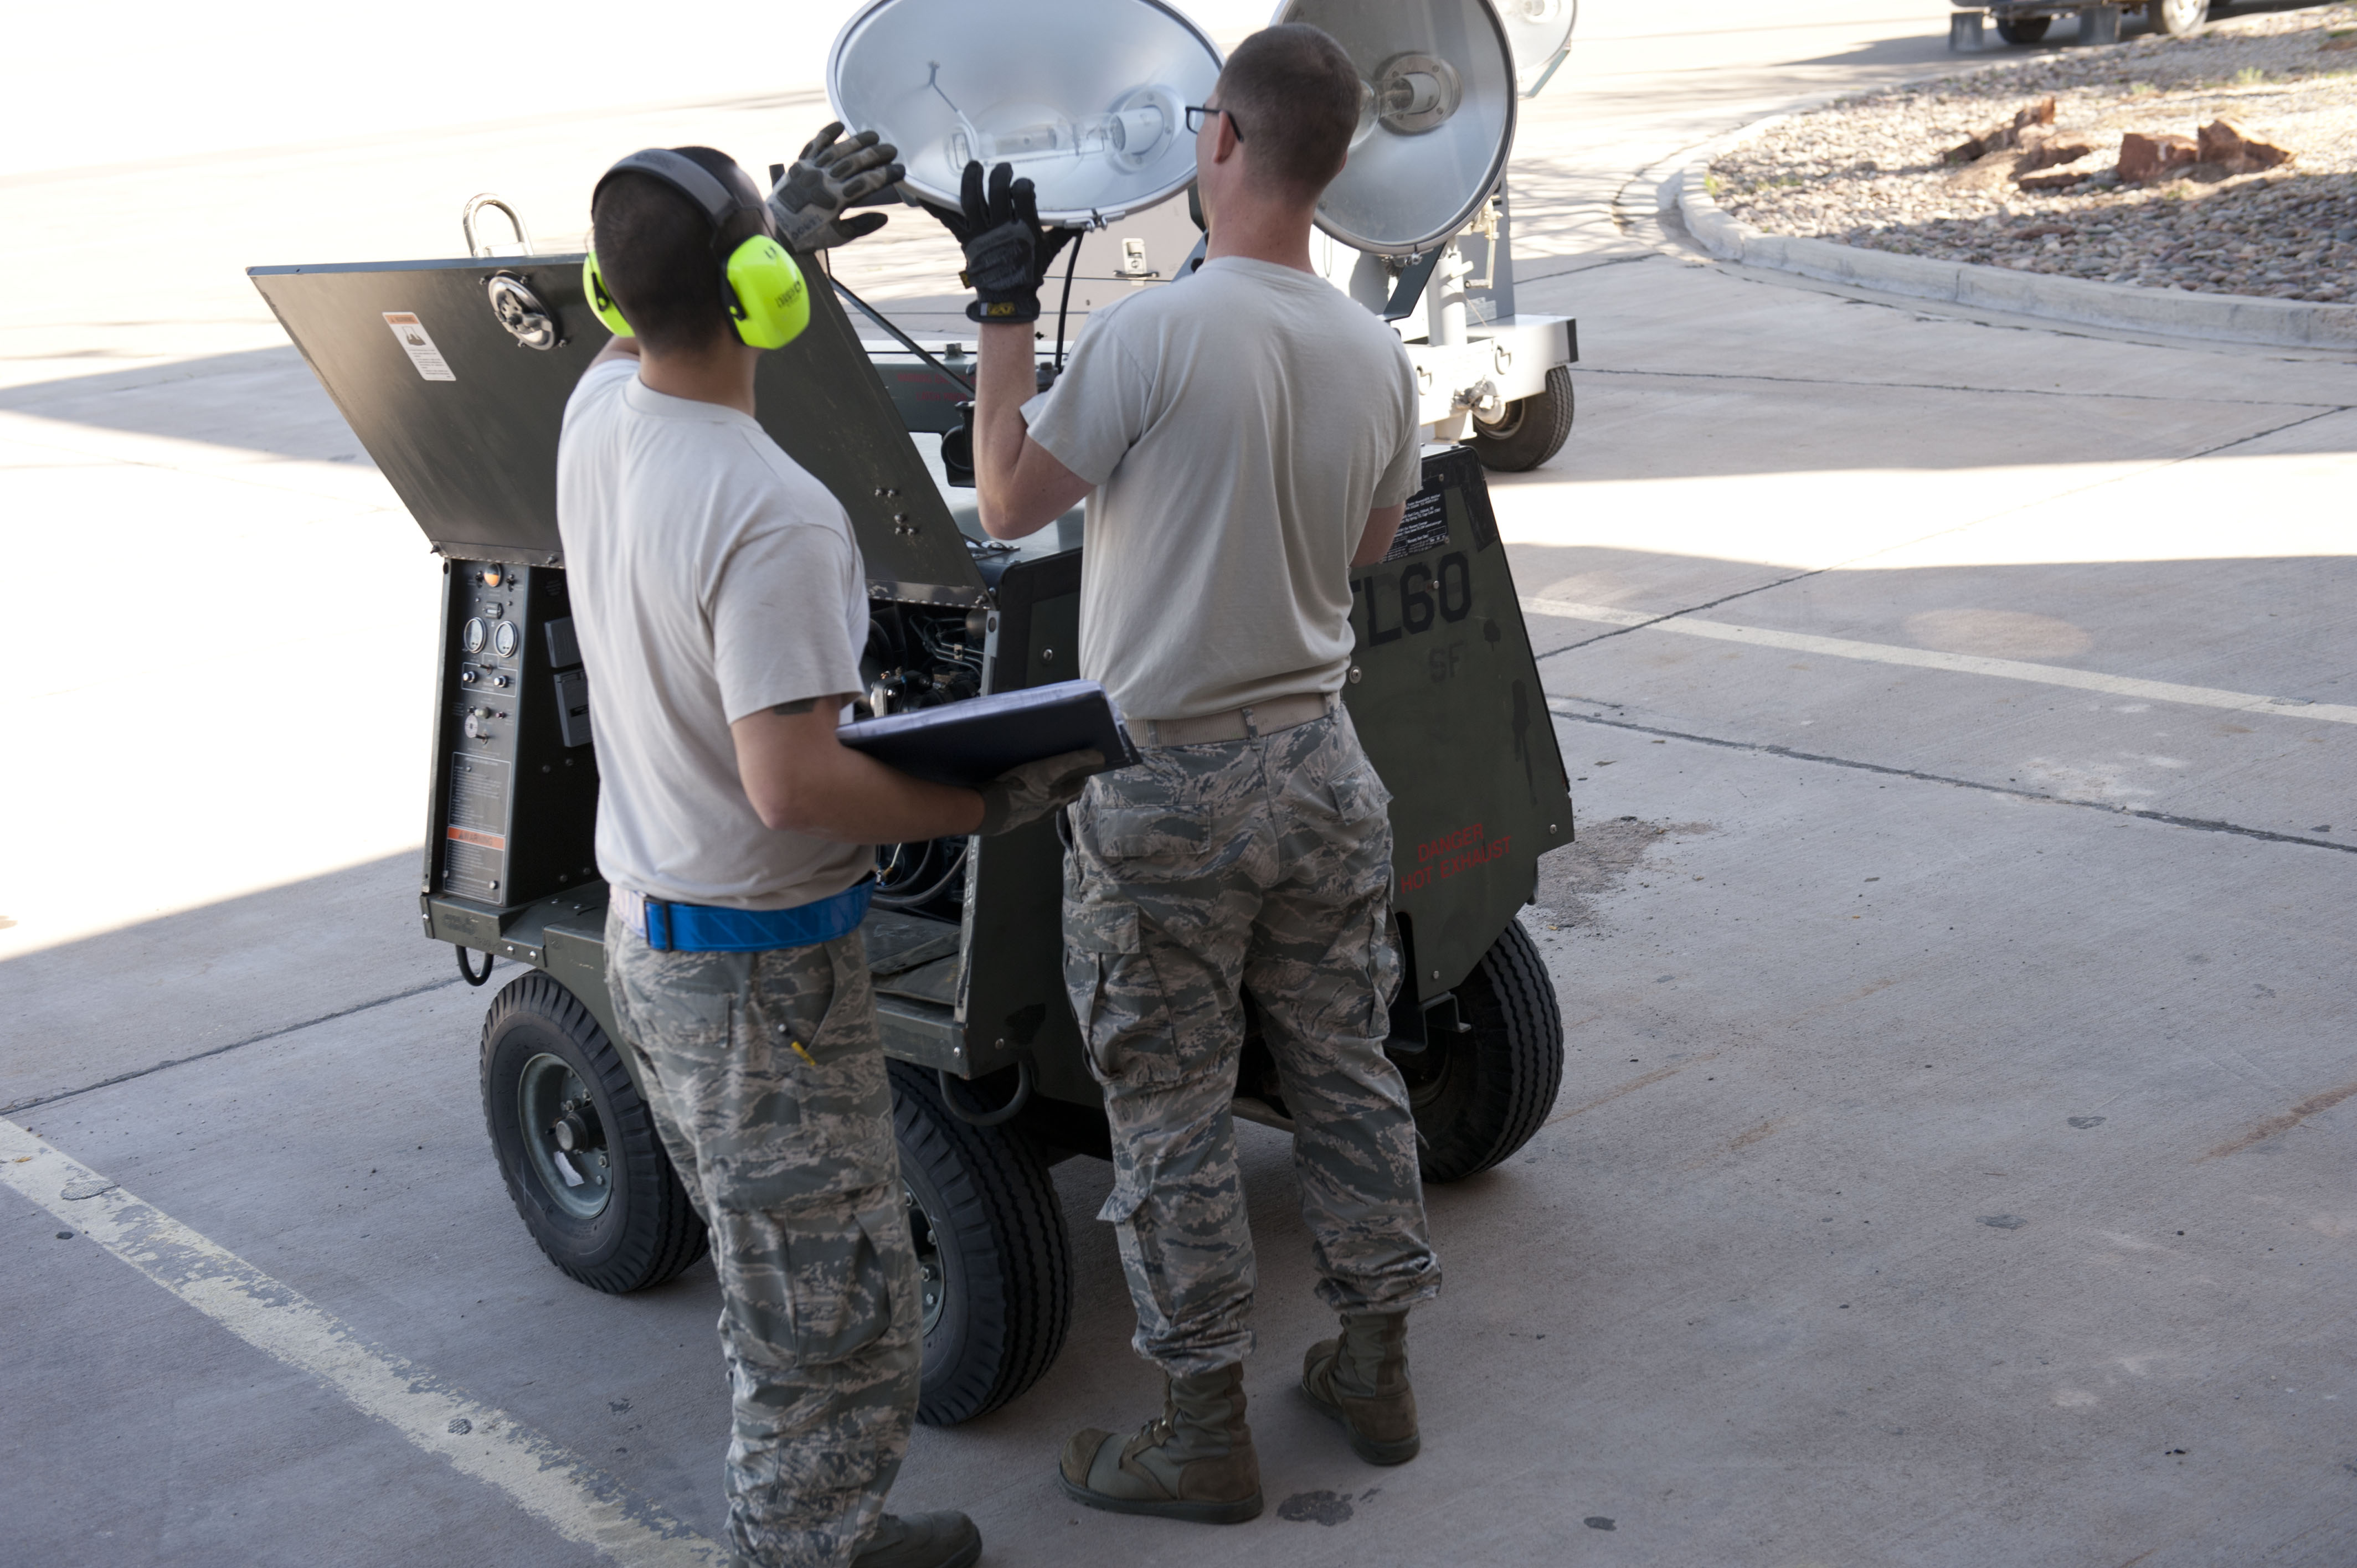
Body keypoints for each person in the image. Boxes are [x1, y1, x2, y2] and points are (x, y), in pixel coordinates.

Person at [556, 127, 1097, 1568]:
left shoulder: (595, 418)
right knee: (840, 1313)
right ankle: (806, 1546)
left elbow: (643, 333)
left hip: (651, 936)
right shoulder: (774, 513)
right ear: (764, 293)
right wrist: (985, 803)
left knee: (778, 1267)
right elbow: (793, 781)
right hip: (761, 979)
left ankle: (829, 1526)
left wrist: (772, 231)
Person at [931, 24, 1441, 1525]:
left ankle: (1204, 1428)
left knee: (1169, 1112)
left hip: (1165, 783)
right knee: (1349, 1075)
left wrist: (1006, 312)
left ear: (1220, 140)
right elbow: (1361, 549)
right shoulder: (1373, 349)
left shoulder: (1157, 334)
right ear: (1332, 162)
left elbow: (1013, 496)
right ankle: (1374, 1366)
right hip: (1325, 770)